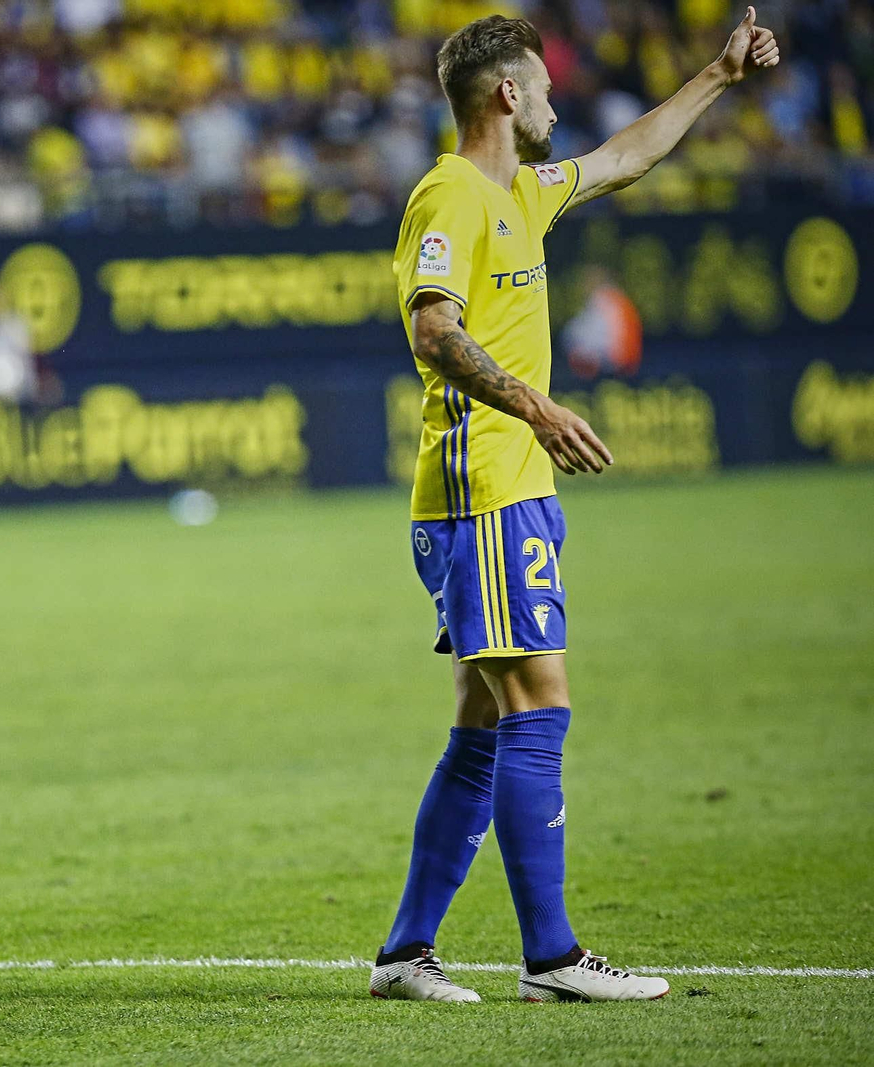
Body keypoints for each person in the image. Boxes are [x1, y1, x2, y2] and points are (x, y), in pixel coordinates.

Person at [372, 10, 778, 1004]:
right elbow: (433, 330)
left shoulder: (521, 191)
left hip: (509, 491)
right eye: (544, 86)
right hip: (485, 492)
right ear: (508, 94)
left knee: (482, 717)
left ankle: (404, 952)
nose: (556, 102)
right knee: (537, 700)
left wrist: (717, 77)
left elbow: (622, 158)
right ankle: (550, 957)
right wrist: (536, 404)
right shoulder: (453, 192)